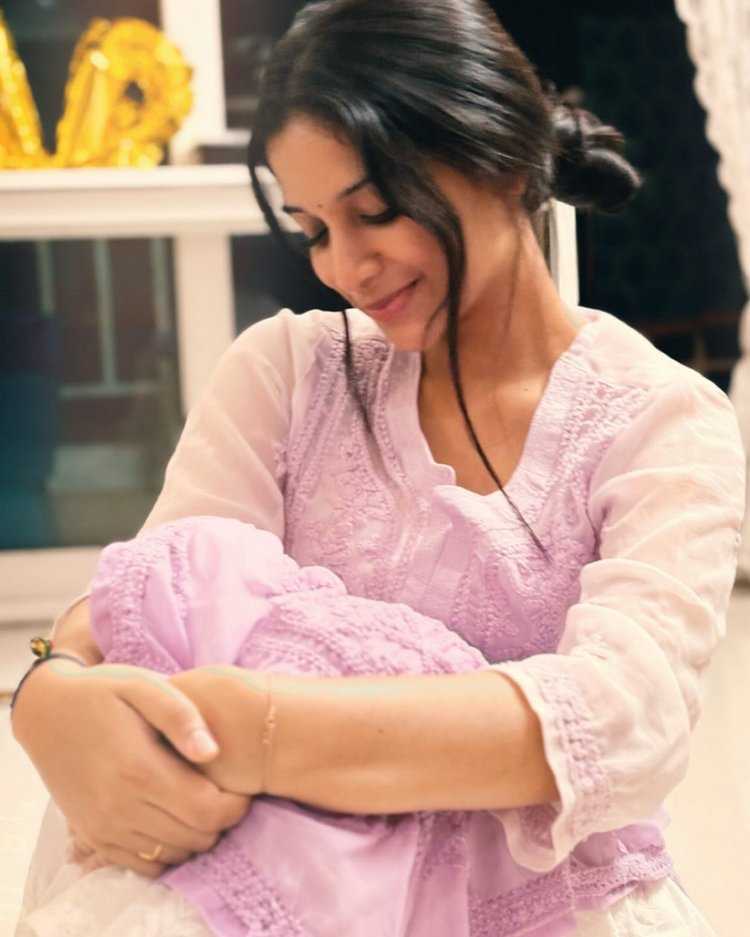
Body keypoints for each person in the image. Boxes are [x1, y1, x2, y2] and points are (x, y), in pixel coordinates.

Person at [11, 0, 746, 934]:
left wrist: (261, 731)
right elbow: (164, 588)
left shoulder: (660, 419)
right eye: (315, 229)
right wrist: (50, 690)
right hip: (282, 885)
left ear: (500, 157)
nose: (346, 268)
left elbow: (621, 722)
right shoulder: (287, 373)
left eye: (373, 213)